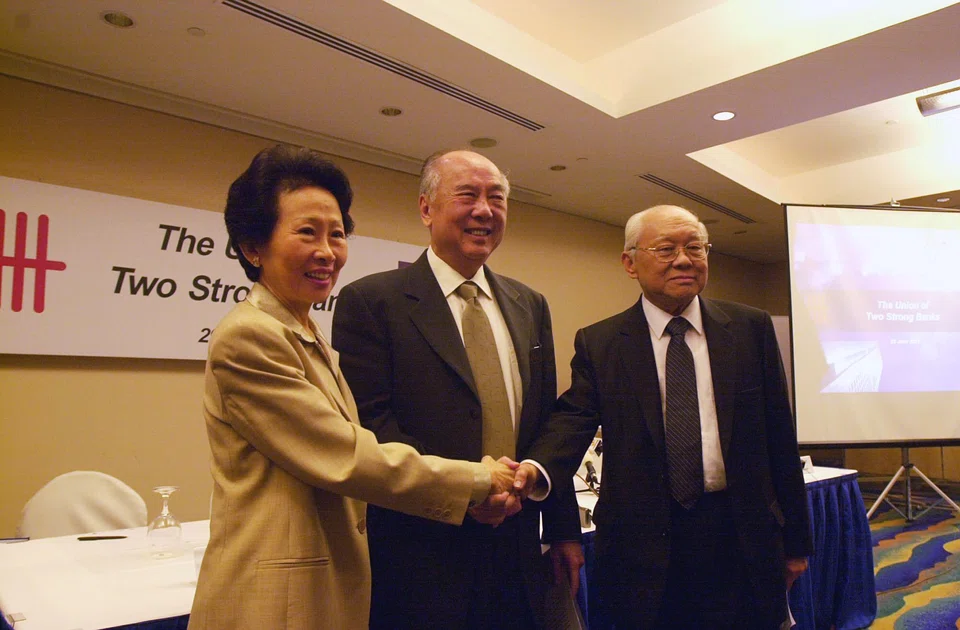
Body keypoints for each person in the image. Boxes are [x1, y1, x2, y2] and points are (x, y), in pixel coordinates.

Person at [188, 145, 521, 630]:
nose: (327, 252)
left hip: (324, 582)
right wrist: (478, 479)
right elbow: (346, 455)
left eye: (337, 234)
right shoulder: (249, 335)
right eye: (307, 233)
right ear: (252, 246)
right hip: (276, 600)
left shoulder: (299, 330)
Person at [516, 204, 813, 629]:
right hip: (642, 547)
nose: (684, 259)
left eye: (695, 247)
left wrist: (797, 542)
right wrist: (533, 469)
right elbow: (573, 418)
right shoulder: (601, 343)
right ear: (629, 263)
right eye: (665, 248)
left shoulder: (750, 329)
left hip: (741, 536)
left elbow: (779, 437)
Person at [331, 149, 584, 629]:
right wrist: (467, 493)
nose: (484, 210)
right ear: (426, 209)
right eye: (467, 195)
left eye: (497, 198)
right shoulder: (372, 301)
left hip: (519, 547)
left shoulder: (530, 304)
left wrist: (564, 530)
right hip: (419, 554)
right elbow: (371, 425)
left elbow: (546, 423)